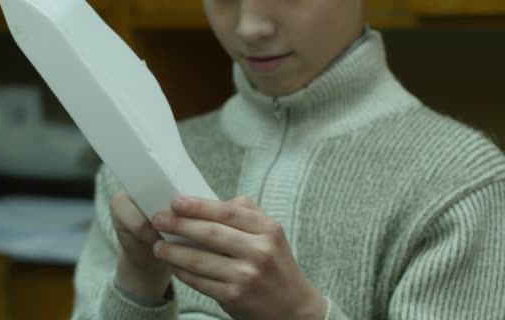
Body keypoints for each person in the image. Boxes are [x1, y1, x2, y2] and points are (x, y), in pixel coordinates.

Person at [72, 0, 505, 319]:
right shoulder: (130, 174)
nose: (250, 27)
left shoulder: (460, 183)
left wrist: (300, 313)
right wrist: (139, 284)